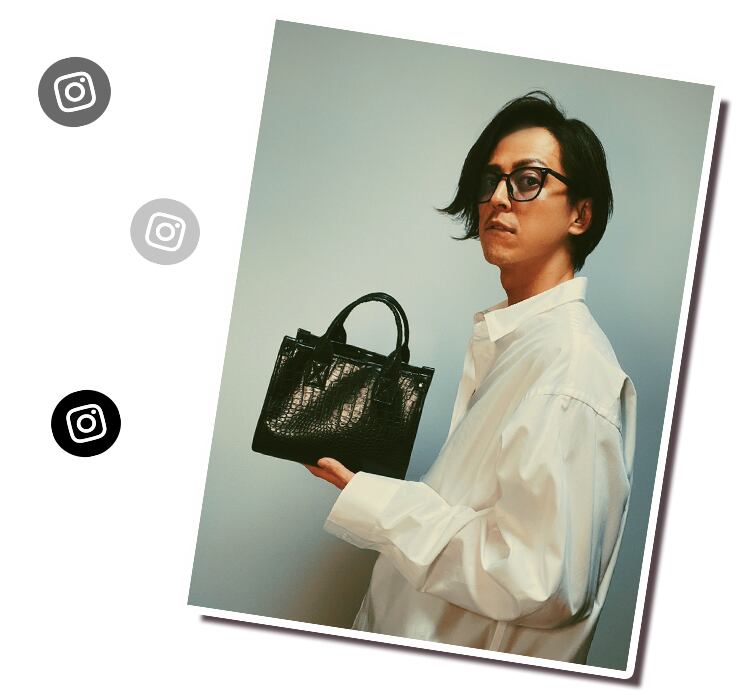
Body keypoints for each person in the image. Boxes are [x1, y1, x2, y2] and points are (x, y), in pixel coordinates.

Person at [303, 90, 637, 665]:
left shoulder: (569, 368)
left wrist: (374, 502)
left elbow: (535, 579)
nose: (498, 198)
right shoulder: (520, 343)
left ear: (579, 214)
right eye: (490, 180)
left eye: (528, 180)